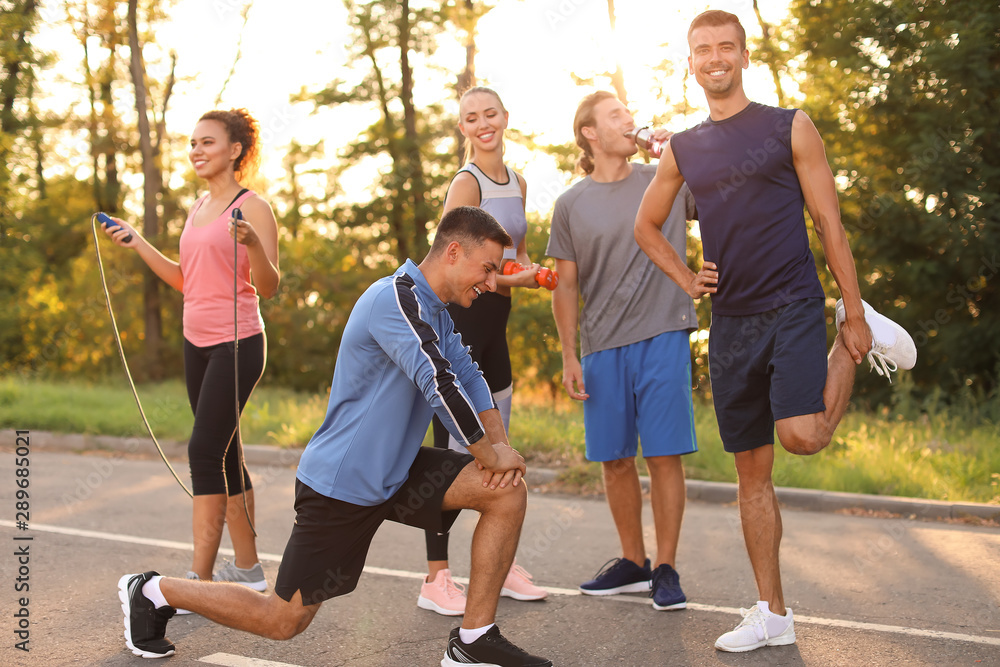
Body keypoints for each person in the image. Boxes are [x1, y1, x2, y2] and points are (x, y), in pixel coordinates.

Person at [116, 206, 552, 667]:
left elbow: (469, 373)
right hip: (342, 484)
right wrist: (487, 450)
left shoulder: (435, 309)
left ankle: (473, 641)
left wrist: (499, 450)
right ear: (454, 251)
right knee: (282, 621)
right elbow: (439, 382)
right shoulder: (395, 299)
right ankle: (151, 591)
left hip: (396, 470)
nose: (489, 282)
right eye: (486, 268)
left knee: (505, 493)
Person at [633, 9, 916, 653]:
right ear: (691, 62)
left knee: (803, 435)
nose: (714, 58)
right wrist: (684, 277)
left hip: (792, 303)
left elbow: (828, 220)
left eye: (725, 47)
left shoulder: (791, 127)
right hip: (730, 322)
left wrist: (849, 298)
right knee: (750, 471)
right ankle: (773, 613)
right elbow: (646, 226)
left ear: (743, 56)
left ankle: (857, 324)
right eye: (702, 50)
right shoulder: (683, 148)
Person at [102, 109, 279, 597]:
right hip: (196, 342)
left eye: (207, 142)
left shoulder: (253, 207)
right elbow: (187, 280)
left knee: (204, 451)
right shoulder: (198, 206)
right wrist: (136, 241)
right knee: (226, 455)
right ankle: (247, 569)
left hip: (238, 343)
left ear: (235, 150)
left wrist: (254, 247)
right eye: (193, 143)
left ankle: (197, 583)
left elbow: (269, 285)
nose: (196, 150)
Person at [547, 90, 699, 613]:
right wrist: (570, 354)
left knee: (663, 454)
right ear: (590, 132)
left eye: (628, 114)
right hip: (601, 346)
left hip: (663, 331)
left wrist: (676, 156)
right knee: (614, 460)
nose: (628, 120)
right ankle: (633, 562)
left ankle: (666, 567)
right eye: (615, 115)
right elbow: (564, 287)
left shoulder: (666, 180)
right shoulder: (570, 204)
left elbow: (723, 198)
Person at [420, 86, 548, 617]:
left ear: (505, 117)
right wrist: (521, 281)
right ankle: (436, 577)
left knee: (500, 446)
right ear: (463, 128)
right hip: (461, 326)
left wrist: (533, 273)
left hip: (497, 329)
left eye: (489, 113)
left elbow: (510, 259)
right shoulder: (465, 182)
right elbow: (458, 265)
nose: (482, 123)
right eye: (471, 118)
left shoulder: (517, 181)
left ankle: (499, 563)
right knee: (453, 456)